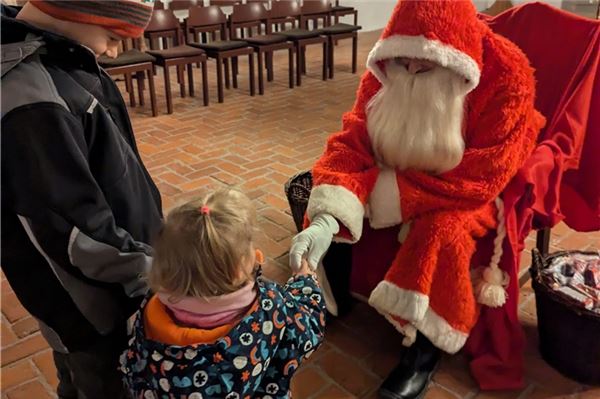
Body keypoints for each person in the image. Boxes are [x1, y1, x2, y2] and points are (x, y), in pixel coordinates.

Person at [289, 0, 545, 398]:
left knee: (442, 232)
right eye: (402, 64)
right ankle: (331, 297)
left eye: (421, 68)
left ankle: (423, 352)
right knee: (336, 193)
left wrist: (396, 195)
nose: (408, 72)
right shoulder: (391, 59)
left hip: (467, 182)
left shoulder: (507, 74)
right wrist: (329, 214)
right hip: (402, 164)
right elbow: (353, 136)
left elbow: (484, 176)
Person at [1, 1, 161, 398]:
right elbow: (73, 232)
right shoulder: (31, 98)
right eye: (112, 37)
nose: (112, 52)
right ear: (81, 11)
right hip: (92, 308)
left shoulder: (58, 56)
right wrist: (158, 275)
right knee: (102, 381)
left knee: (78, 380)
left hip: (112, 281)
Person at [121, 188, 326, 398]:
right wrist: (304, 280)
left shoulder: (150, 307)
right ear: (239, 269)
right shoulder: (268, 307)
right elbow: (307, 328)